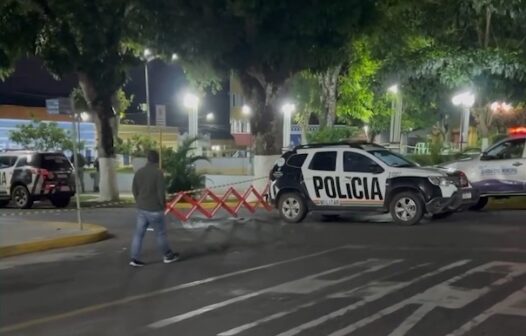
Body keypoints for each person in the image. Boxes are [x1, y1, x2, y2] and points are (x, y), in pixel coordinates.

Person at [130, 150, 178, 267]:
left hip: (142, 208)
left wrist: (139, 201)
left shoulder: (139, 172)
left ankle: (134, 258)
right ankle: (167, 255)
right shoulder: (158, 173)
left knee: (138, 234)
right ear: (157, 160)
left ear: (148, 159)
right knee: (160, 234)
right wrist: (163, 205)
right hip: (155, 209)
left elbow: (134, 189)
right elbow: (161, 192)